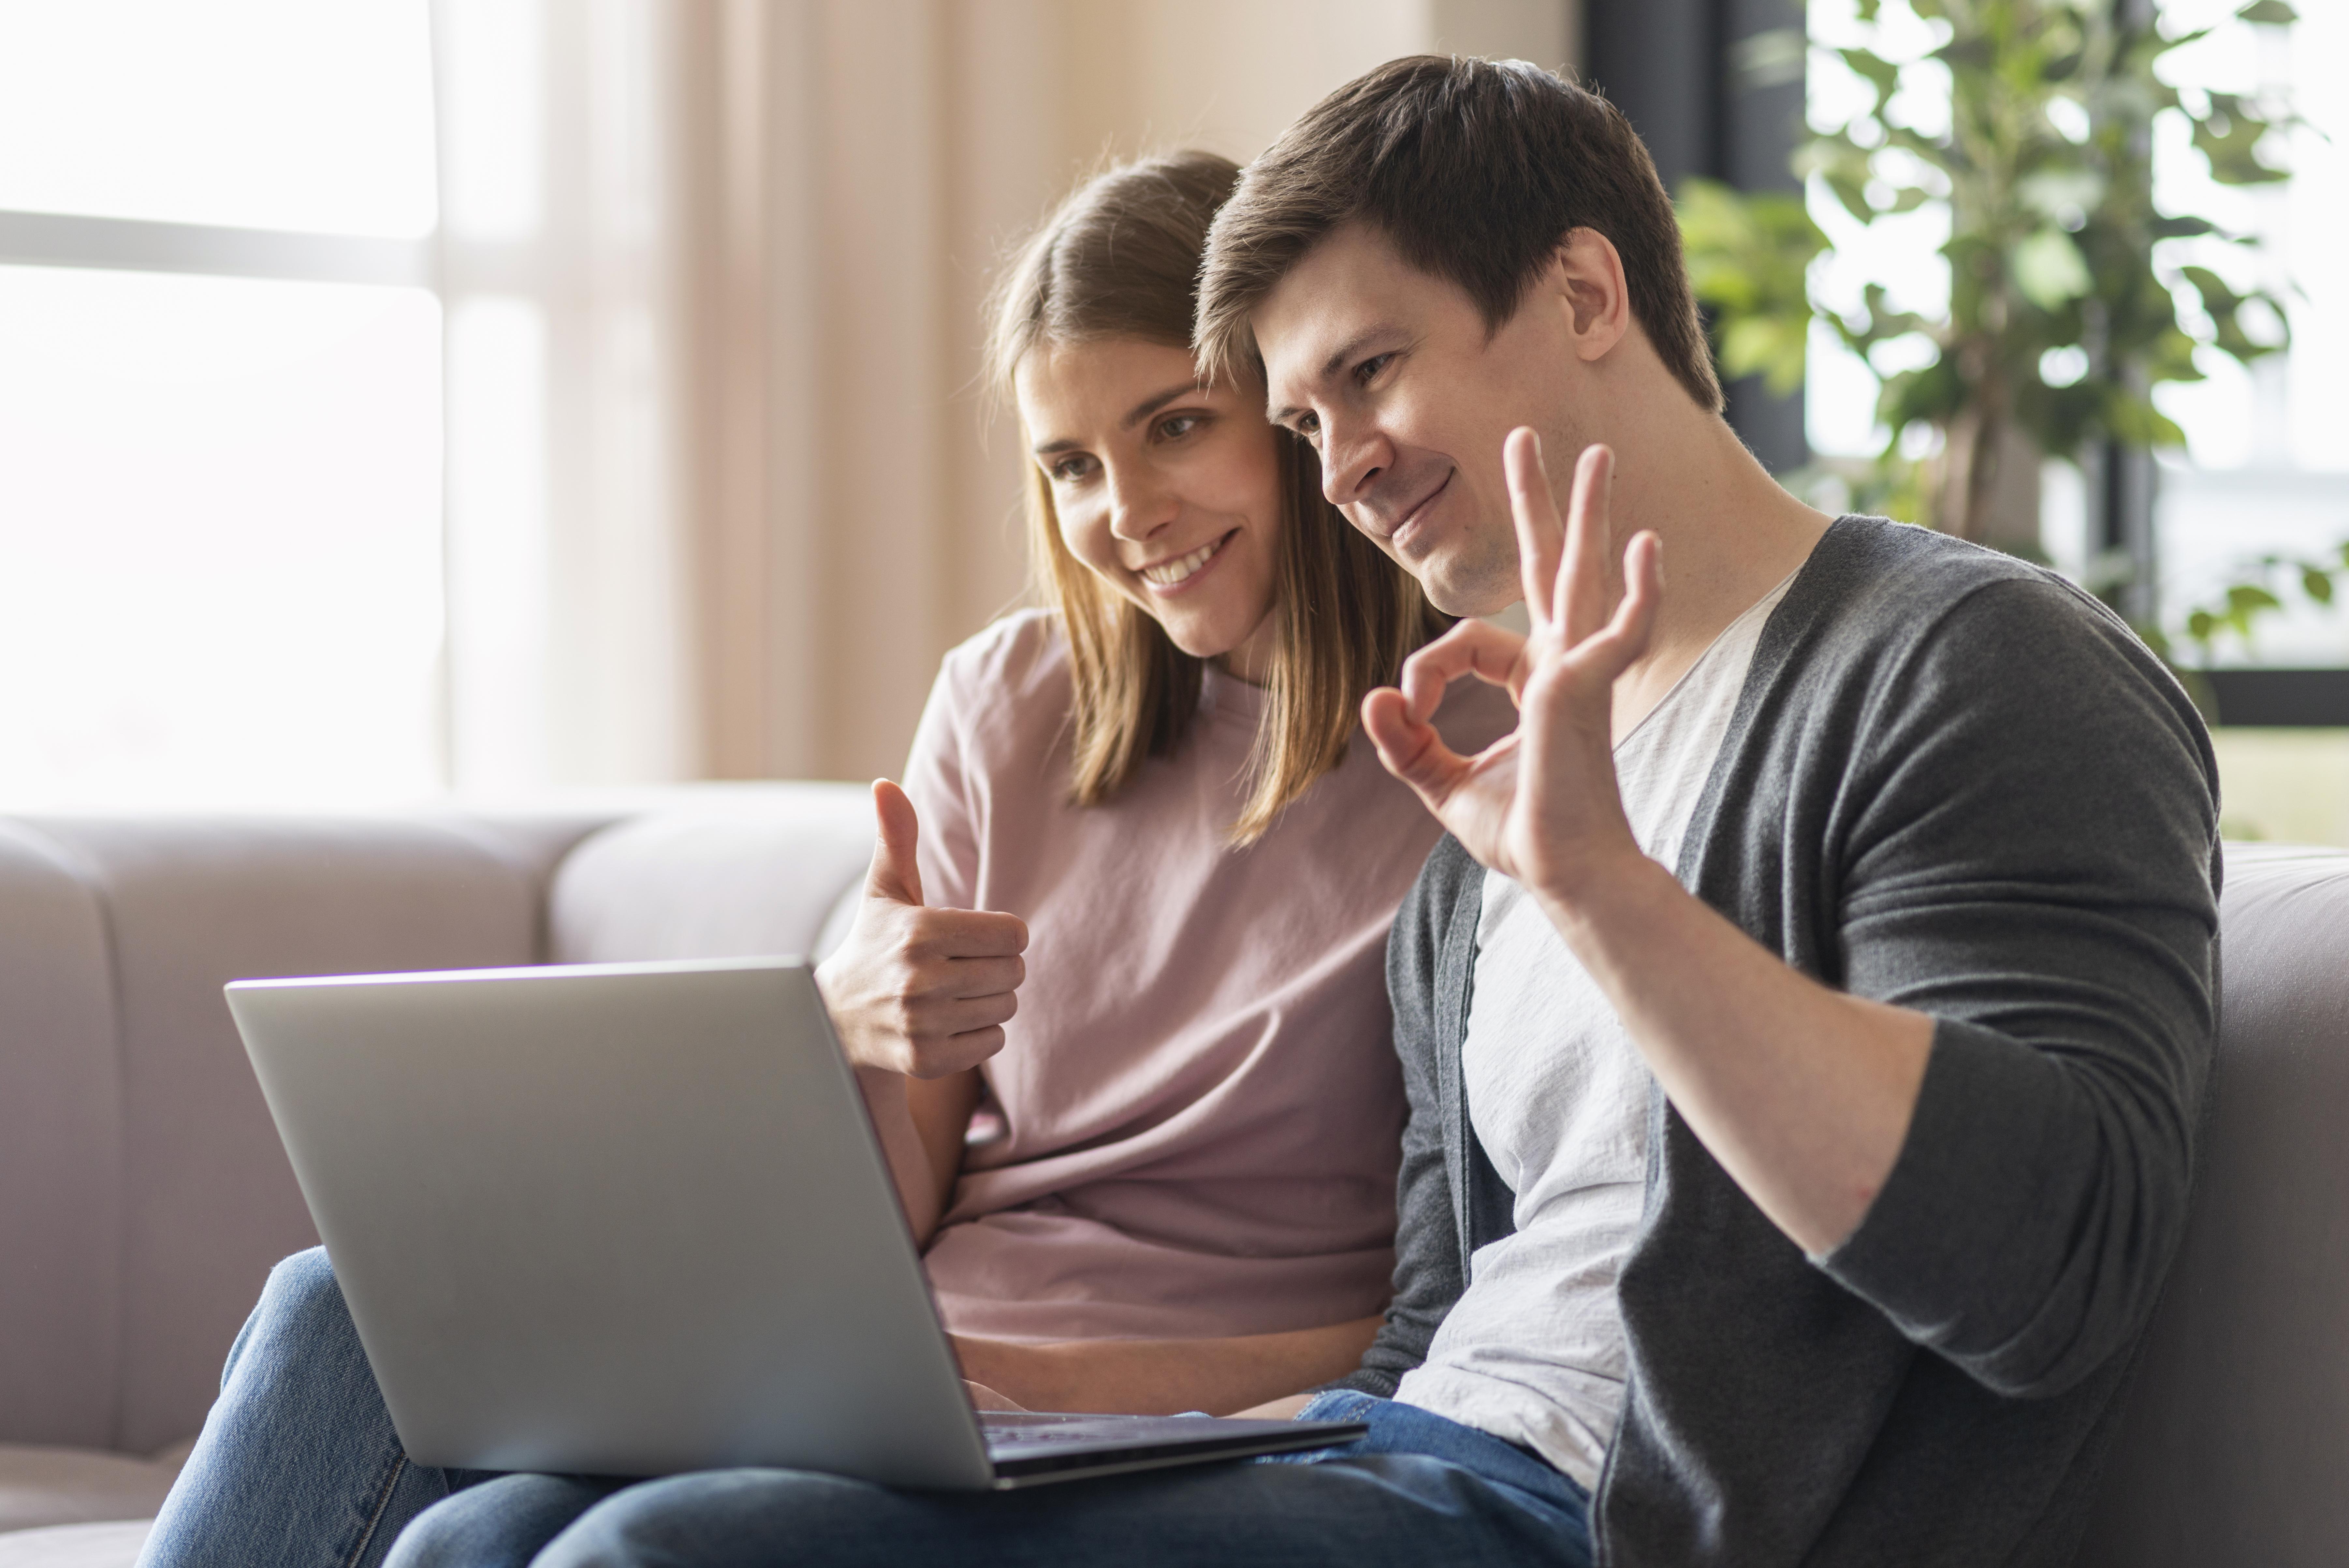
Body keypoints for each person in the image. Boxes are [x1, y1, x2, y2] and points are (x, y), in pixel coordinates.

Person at [438, 55, 2220, 1568]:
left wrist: (1602, 889)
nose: (1339, 462)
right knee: (477, 1529)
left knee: (654, 1552)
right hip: (1393, 1448)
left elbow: (2047, 1266)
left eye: (1369, 372)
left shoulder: (1969, 665)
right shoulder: (1483, 770)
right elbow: (1447, 1308)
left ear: (1586, 297)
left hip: (1607, 1514)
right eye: (1298, 418)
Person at [134, 150, 1506, 1568]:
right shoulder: (1012, 701)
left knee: (481, 1548)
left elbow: (1445, 1312)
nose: (1125, 514)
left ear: (1291, 415)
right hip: (905, 1364)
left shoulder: (1478, 752)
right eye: (1070, 467)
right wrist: (845, 1026)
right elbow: (885, 1206)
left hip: (1172, 1404)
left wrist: (1015, 1377)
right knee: (335, 1307)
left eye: (1174, 425)